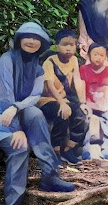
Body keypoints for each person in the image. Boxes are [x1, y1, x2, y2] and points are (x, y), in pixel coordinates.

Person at [0, 22, 75, 205]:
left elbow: (33, 96)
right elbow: (5, 95)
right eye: (27, 37)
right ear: (19, 39)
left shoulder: (37, 67)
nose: (31, 41)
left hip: (16, 110)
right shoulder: (7, 59)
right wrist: (16, 130)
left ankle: (50, 176)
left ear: (42, 42)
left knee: (37, 114)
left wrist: (17, 109)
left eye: (36, 38)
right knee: (20, 148)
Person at [38, 29, 90, 165]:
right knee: (62, 115)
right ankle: (55, 151)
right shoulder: (50, 62)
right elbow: (49, 85)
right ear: (56, 46)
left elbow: (77, 81)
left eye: (71, 45)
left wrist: (82, 102)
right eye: (64, 44)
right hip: (47, 100)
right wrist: (61, 103)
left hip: (65, 99)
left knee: (80, 115)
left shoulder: (73, 60)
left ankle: (68, 148)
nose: (68, 48)